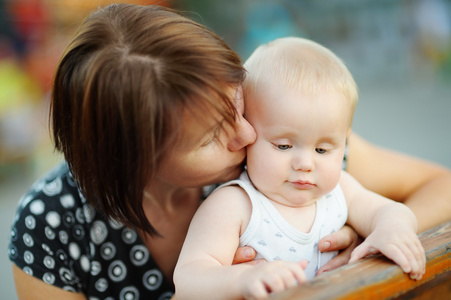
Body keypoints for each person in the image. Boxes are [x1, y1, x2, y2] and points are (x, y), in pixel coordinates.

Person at [6, 3, 451, 300]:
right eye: (210, 136)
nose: (245, 134)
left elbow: (440, 185)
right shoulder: (52, 225)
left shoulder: (295, 156)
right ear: (136, 163)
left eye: (234, 103)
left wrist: (364, 239)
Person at [173, 37, 426, 299]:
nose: (305, 164)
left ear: (344, 142)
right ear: (250, 134)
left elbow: (389, 211)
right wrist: (243, 278)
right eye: (283, 146)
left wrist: (392, 229)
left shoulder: (341, 191)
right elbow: (189, 277)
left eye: (322, 150)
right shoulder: (234, 204)